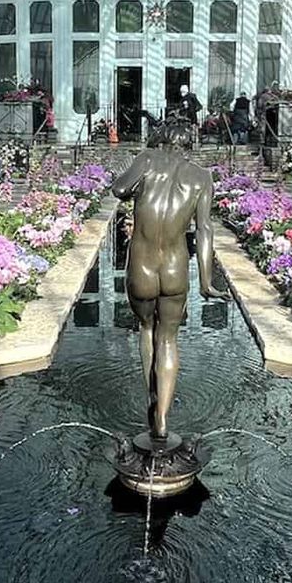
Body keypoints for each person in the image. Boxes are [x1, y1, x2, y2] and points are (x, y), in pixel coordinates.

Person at [111, 122, 226, 442]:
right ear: (190, 145)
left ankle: (151, 397)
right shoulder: (202, 177)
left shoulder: (148, 159)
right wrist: (206, 280)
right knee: (169, 340)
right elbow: (205, 231)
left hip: (143, 266)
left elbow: (119, 189)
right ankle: (162, 417)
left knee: (147, 329)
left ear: (161, 141)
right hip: (176, 268)